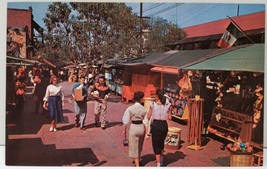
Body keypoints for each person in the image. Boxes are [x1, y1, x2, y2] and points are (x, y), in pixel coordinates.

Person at [146, 89, 172, 167]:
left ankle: (158, 163)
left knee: (156, 144)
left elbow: (148, 116)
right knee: (161, 142)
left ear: (157, 96)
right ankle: (161, 159)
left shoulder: (153, 104)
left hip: (156, 124)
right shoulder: (168, 104)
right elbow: (170, 117)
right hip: (164, 125)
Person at [122, 91, 147, 167]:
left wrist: (124, 130)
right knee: (140, 145)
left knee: (133, 146)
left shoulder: (130, 108)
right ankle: (137, 160)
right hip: (141, 127)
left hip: (133, 127)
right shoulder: (145, 109)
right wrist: (147, 131)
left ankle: (137, 164)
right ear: (141, 99)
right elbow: (146, 121)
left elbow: (126, 120)